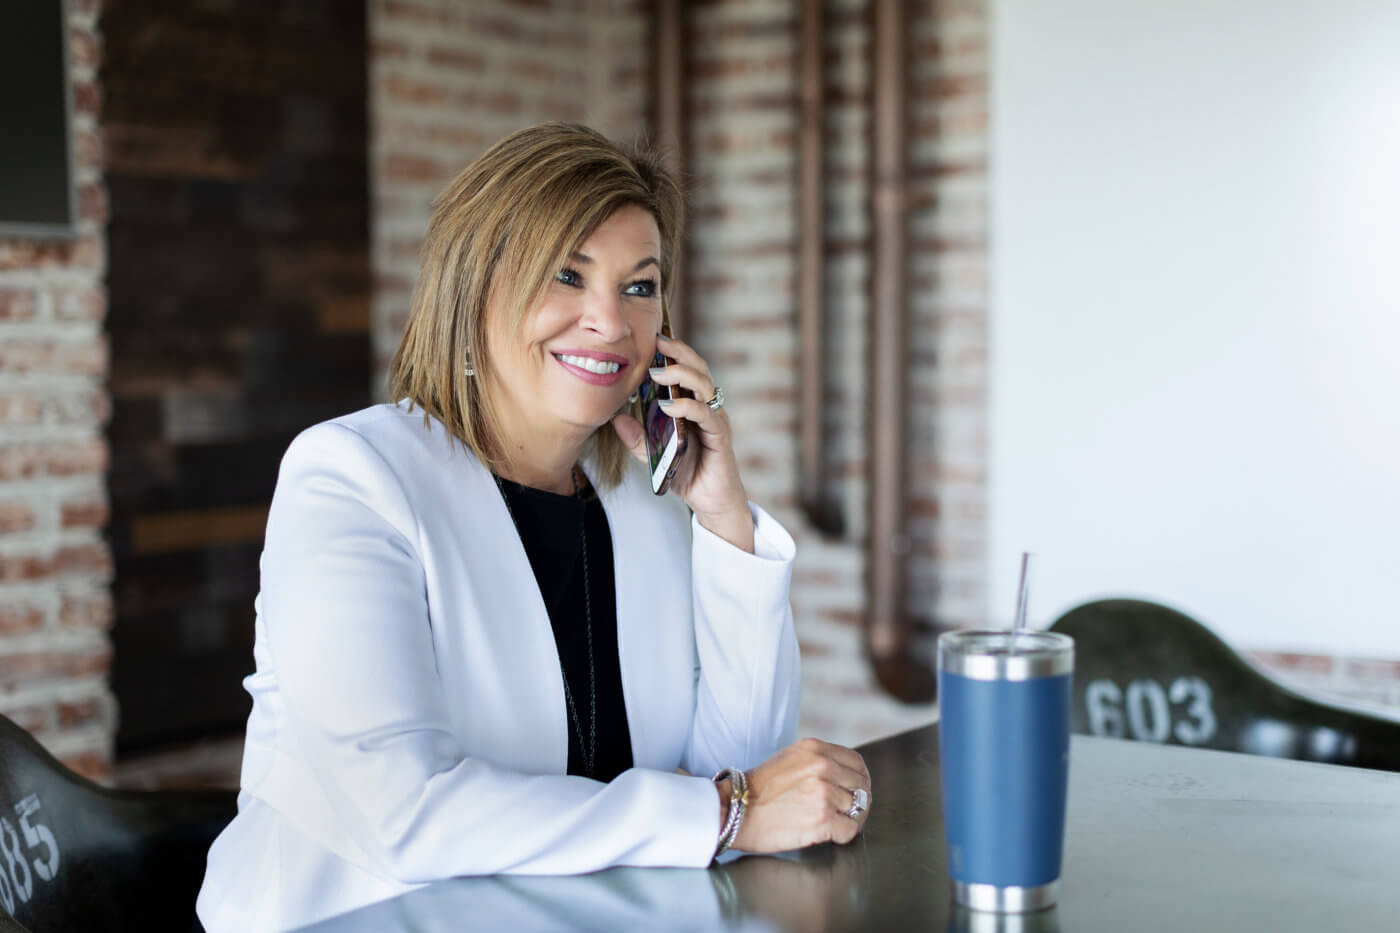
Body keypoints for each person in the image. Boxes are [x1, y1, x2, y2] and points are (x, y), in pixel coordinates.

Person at [196, 123, 872, 933]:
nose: (611, 322)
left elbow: (738, 767)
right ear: (474, 287)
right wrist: (725, 813)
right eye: (567, 274)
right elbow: (404, 812)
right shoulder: (349, 477)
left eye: (640, 285)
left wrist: (724, 517)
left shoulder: (643, 503)